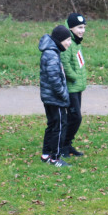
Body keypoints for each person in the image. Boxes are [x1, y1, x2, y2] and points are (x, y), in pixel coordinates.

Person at [39, 24, 73, 167]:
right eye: (68, 40)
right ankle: (55, 158)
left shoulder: (51, 51)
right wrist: (64, 95)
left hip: (49, 98)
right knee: (59, 126)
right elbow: (55, 80)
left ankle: (46, 154)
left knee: (52, 124)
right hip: (55, 99)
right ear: (60, 40)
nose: (69, 43)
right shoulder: (52, 54)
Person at [59, 13, 87, 158]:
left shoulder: (76, 42)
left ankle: (68, 144)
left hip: (77, 87)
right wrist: (75, 77)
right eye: (79, 27)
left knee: (73, 118)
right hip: (71, 87)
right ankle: (63, 145)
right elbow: (65, 63)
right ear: (71, 28)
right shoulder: (69, 42)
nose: (82, 30)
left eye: (83, 27)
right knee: (75, 118)